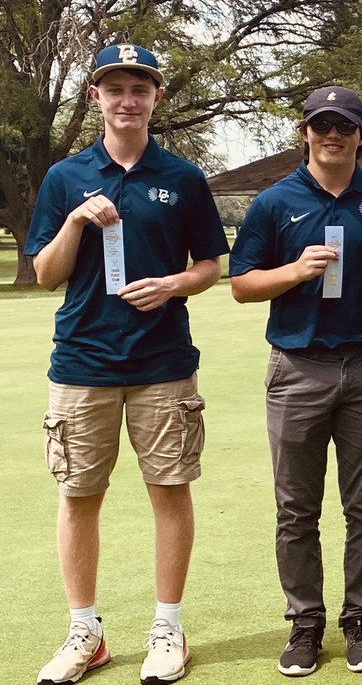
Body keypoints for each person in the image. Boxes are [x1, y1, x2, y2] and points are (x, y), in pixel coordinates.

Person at [26, 43, 229, 685]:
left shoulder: (184, 178)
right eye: (115, 89)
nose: (127, 100)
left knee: (169, 492)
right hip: (82, 361)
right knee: (78, 494)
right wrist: (77, 222)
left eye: (139, 89)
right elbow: (44, 274)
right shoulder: (65, 177)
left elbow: (209, 266)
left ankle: (167, 625)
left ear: (155, 98)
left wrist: (171, 285)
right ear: (97, 99)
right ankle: (85, 631)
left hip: (163, 361)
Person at [228, 86, 362, 677]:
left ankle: (361, 618)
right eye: (321, 125)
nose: (332, 134)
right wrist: (295, 270)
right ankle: (305, 623)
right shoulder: (275, 202)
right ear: (305, 132)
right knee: (297, 508)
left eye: (344, 125)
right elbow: (241, 284)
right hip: (297, 368)